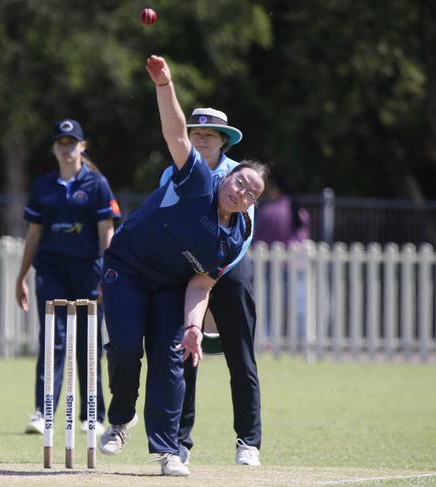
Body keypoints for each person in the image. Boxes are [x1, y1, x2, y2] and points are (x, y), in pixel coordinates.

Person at [97, 55, 267, 477]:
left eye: (251, 191)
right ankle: (120, 418)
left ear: (252, 202)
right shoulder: (196, 180)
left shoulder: (233, 238)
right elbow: (174, 132)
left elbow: (200, 283)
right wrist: (164, 84)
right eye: (239, 182)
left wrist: (194, 327)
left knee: (171, 358)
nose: (241, 190)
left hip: (172, 285)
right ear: (226, 177)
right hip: (129, 269)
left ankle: (169, 450)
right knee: (123, 349)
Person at [158, 107, 262, 467]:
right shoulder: (174, 171)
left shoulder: (238, 176)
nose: (201, 140)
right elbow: (164, 220)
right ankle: (181, 443)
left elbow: (245, 235)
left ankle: (248, 441)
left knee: (241, 356)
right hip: (187, 270)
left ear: (223, 141)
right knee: (185, 354)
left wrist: (214, 272)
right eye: (196, 134)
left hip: (230, 269)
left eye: (209, 136)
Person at [15, 119, 121, 436]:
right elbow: (33, 236)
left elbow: (108, 233)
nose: (66, 147)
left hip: (89, 269)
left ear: (82, 146)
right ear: (54, 148)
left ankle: (93, 415)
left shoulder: (97, 185)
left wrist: (109, 275)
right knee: (53, 340)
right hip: (50, 271)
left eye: (71, 142)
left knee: (88, 342)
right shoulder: (43, 186)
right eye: (60, 142)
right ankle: (42, 411)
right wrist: (20, 276)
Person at [252, 175, 310, 340]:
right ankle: (301, 339)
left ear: (277, 190)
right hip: (297, 265)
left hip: (272, 267)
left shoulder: (269, 212)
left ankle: (267, 338)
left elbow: (259, 241)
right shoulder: (301, 212)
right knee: (299, 305)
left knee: (269, 306)